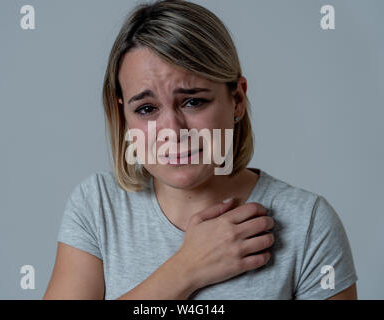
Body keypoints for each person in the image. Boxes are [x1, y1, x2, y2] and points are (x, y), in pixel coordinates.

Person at [43, 0, 358, 300]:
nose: (173, 132)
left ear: (236, 100)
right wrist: (185, 270)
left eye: (193, 101)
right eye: (147, 108)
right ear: (123, 114)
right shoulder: (97, 207)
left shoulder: (308, 223)